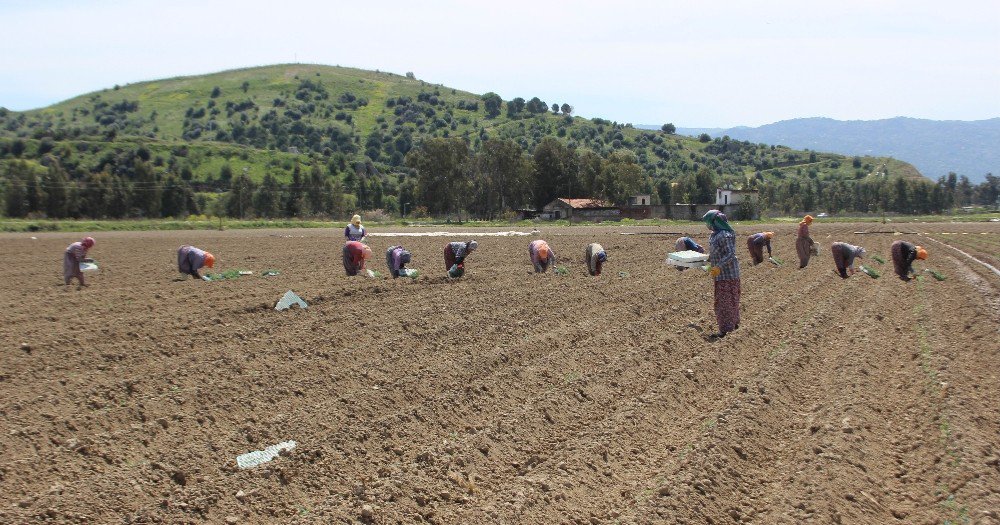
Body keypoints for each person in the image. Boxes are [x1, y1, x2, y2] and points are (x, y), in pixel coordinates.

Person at [703, 210, 741, 338]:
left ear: (715, 221)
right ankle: (731, 326)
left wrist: (718, 266)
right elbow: (716, 253)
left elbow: (730, 254)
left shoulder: (725, 234)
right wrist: (703, 260)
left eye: (708, 222)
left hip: (728, 275)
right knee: (724, 302)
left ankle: (726, 331)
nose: (707, 225)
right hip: (720, 276)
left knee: (726, 303)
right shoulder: (714, 235)